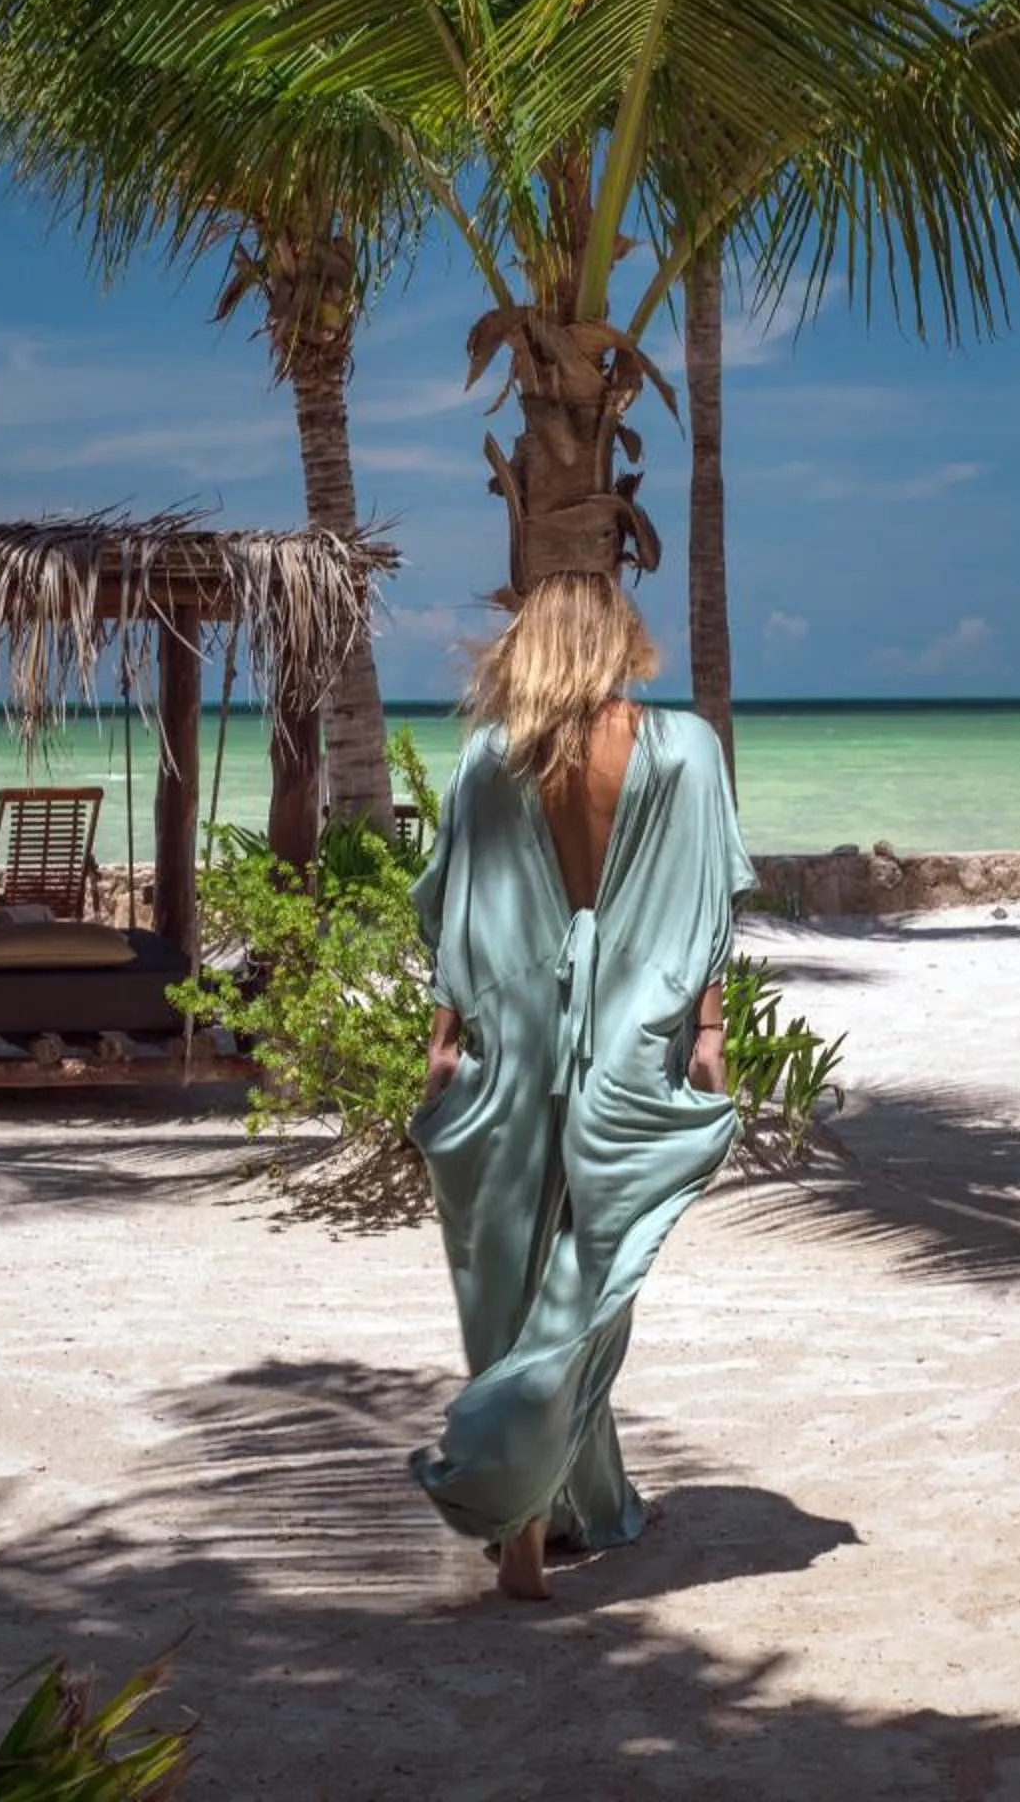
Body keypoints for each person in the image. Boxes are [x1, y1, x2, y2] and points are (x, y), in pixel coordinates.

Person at [405, 568, 754, 1602]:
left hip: (510, 1031)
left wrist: (442, 1037)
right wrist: (708, 1026)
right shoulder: (684, 749)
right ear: (617, 638)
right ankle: (520, 1494)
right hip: (628, 1033)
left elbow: (461, 917)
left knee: (506, 1270)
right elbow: (700, 914)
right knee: (592, 1271)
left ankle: (557, 1503)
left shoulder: (486, 759)